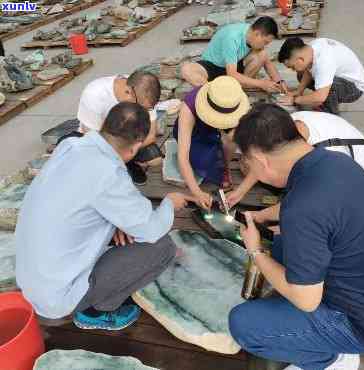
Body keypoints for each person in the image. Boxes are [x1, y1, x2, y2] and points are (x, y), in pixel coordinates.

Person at [229, 103, 364, 370]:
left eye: (248, 162)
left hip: (363, 324)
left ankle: (328, 358)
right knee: (282, 242)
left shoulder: (302, 208)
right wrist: (265, 215)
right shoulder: (337, 161)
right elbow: (319, 208)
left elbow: (306, 300)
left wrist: (255, 251)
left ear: (261, 160)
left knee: (243, 323)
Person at [16, 102, 195, 330]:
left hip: (32, 277)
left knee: (124, 230)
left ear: (103, 125)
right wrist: (170, 203)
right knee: (162, 248)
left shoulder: (71, 145)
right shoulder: (109, 174)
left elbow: (84, 195)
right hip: (57, 297)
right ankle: (99, 310)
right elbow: (151, 230)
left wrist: (115, 222)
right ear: (136, 146)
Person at [226, 110, 364, 208]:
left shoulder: (323, 168)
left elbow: (307, 204)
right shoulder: (285, 126)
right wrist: (241, 191)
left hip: (361, 180)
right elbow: (261, 163)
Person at [174, 76, 250, 209]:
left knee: (233, 138)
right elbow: (183, 156)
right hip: (195, 133)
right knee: (203, 163)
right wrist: (197, 192)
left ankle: (225, 167)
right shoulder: (190, 105)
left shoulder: (233, 101)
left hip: (218, 127)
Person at [77, 71, 162, 185]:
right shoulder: (94, 94)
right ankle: (125, 165)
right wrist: (124, 152)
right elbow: (92, 139)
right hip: (102, 142)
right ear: (128, 92)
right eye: (142, 107)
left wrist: (127, 150)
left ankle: (127, 162)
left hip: (129, 142)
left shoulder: (144, 93)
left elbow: (151, 135)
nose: (144, 112)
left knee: (155, 160)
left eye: (148, 109)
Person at [181, 17, 287, 94]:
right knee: (187, 69)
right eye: (265, 42)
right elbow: (231, 74)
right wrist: (262, 83)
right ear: (257, 34)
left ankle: (236, 88)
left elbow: (267, 63)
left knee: (262, 54)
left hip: (234, 66)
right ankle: (214, 94)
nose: (265, 45)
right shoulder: (232, 37)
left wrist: (279, 81)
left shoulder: (252, 34)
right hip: (213, 66)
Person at [277, 37, 364, 115]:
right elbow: (308, 71)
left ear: (301, 59)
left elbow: (320, 97)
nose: (293, 70)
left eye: (292, 67)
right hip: (342, 77)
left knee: (328, 90)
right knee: (301, 74)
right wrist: (298, 91)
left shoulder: (324, 61)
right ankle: (327, 99)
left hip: (355, 88)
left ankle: (331, 115)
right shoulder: (311, 48)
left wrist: (294, 100)